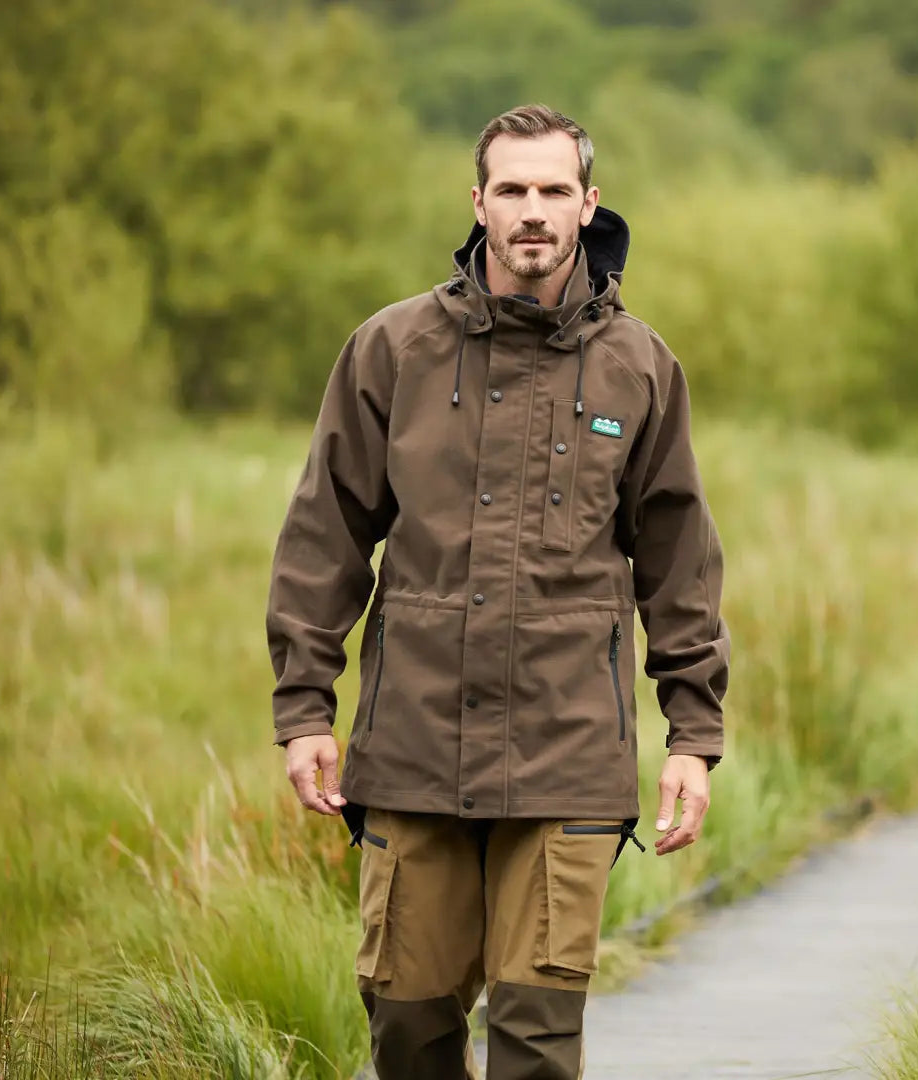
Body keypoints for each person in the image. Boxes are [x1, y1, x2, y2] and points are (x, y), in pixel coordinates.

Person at [265, 104, 730, 1080]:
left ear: (587, 204)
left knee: (536, 1036)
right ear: (477, 203)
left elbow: (678, 559)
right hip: (412, 749)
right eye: (511, 189)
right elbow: (326, 535)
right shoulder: (391, 350)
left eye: (553, 190)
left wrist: (694, 733)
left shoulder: (640, 367)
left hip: (568, 754)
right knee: (408, 1026)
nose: (532, 211)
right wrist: (305, 705)